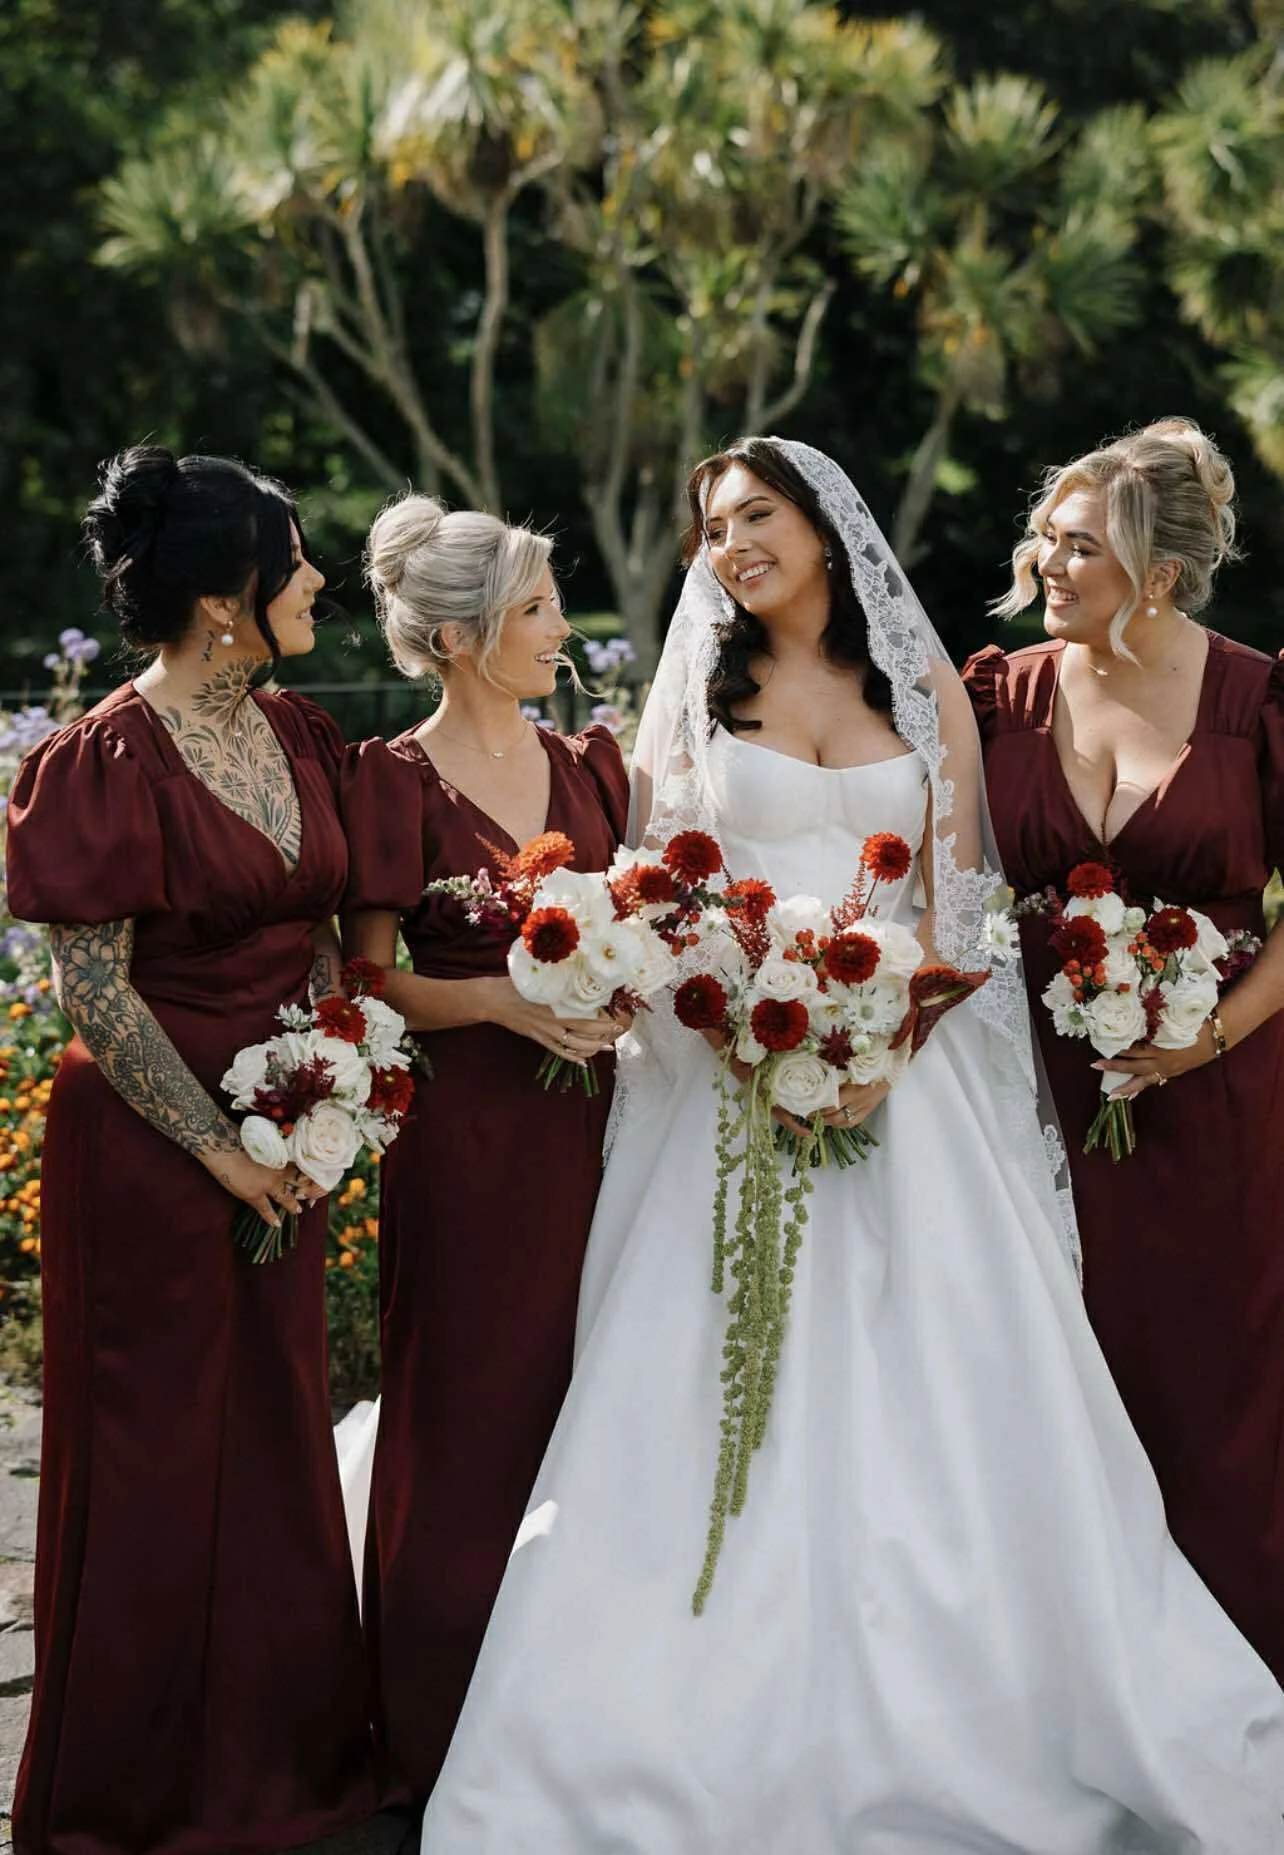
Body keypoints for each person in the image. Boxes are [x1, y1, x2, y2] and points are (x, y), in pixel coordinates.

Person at [416, 438, 1284, 1853]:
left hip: (906, 1078)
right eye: (712, 524)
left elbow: (961, 913)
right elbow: (658, 890)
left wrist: (881, 1048)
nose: (730, 542)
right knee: (703, 1394)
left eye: (756, 513)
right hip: (728, 1071)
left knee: (955, 1396)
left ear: (826, 527)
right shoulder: (693, 695)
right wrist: (759, 1024)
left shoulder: (933, 689)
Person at [5, 446, 382, 1854]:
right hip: (155, 1155)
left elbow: (341, 926)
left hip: (287, 1128)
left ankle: (281, 1775)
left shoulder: (297, 733)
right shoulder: (95, 758)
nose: (318, 580)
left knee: (279, 1444)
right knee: (159, 1462)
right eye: (295, 560)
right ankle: (135, 1796)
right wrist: (225, 1151)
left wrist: (336, 1089)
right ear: (228, 599)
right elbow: (90, 993)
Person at [963, 416, 1284, 1686]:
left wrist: (1208, 1036)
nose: (1049, 561)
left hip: (1220, 1101)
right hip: (1033, 1101)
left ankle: (1239, 1674)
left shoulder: (1260, 700)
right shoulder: (1005, 690)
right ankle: (1078, 1684)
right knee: (1057, 1377)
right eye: (1047, 537)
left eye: (1080, 545)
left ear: (1159, 573)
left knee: (1217, 1383)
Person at [338, 495, 629, 1808]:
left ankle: (574, 1725)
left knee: (596, 1408)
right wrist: (508, 1002)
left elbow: (644, 925)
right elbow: (368, 975)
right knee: (463, 1412)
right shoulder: (391, 779)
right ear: (459, 637)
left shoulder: (591, 767)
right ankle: (432, 1724)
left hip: (602, 1145)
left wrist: (625, 992)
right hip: (465, 1141)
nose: (562, 632)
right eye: (536, 609)